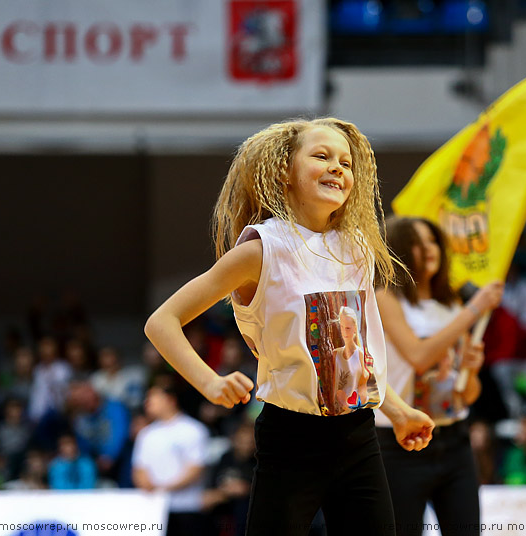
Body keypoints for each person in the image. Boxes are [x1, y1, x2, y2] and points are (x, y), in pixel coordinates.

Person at [144, 118, 434, 536]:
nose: (337, 167)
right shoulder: (261, 249)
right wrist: (209, 383)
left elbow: (353, 360)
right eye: (321, 156)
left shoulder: (356, 249)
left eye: (346, 162)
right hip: (290, 439)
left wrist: (399, 411)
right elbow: (162, 322)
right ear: (285, 172)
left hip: (357, 436)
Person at [375, 216, 503, 536]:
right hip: (398, 444)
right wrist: (473, 311)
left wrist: (471, 370)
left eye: (433, 240)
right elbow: (418, 357)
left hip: (454, 440)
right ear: (400, 251)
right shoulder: (385, 298)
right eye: (417, 242)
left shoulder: (451, 305)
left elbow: (467, 394)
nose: (429, 249)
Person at [132, 380, 211, 536]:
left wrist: (163, 487)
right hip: (154, 508)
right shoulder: (146, 434)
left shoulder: (193, 429)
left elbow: (196, 469)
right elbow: (139, 468)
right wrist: (147, 485)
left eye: (153, 397)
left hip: (187, 507)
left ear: (170, 400)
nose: (147, 402)